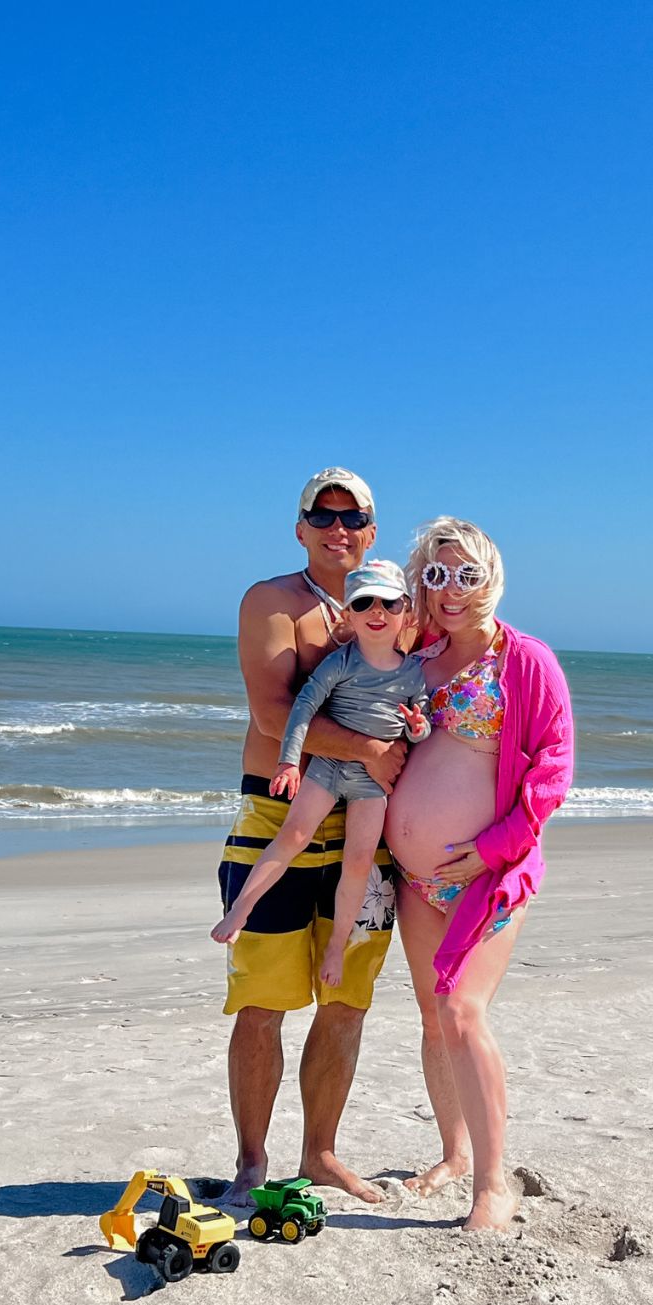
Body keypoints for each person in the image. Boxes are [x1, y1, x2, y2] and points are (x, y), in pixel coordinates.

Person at [218, 469, 405, 1206]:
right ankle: (252, 1160)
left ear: (371, 529)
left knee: (346, 999)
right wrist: (367, 752)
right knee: (262, 1001)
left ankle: (321, 1155)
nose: (338, 528)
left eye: (352, 516)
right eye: (321, 516)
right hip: (277, 815)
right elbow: (273, 718)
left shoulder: (396, 609)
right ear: (300, 528)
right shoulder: (273, 603)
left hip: (367, 830)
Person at [384, 517, 575, 1231]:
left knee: (464, 1012)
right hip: (415, 880)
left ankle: (493, 1185)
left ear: (490, 576)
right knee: (435, 1020)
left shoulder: (524, 662)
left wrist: (494, 848)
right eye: (436, 575)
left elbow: (552, 773)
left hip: (489, 875)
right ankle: (453, 1153)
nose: (451, 589)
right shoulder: (416, 658)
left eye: (466, 574)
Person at [212, 559, 429, 987]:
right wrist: (289, 762)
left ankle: (337, 946)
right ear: (348, 614)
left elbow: (417, 725)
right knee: (292, 836)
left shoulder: (412, 671)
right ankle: (242, 908)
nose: (377, 612)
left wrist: (417, 728)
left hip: (372, 784)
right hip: (328, 767)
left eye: (388, 603)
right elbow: (301, 709)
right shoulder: (341, 662)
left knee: (359, 862)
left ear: (405, 610)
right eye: (364, 603)